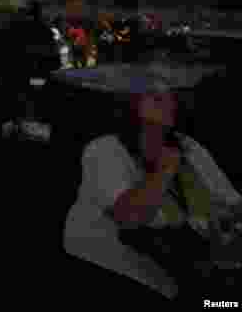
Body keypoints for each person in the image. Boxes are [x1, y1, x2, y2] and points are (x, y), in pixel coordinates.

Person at [64, 75, 242, 303]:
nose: (169, 103)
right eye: (156, 97)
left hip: (177, 265)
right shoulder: (105, 150)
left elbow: (232, 202)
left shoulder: (189, 147)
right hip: (109, 266)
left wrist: (225, 225)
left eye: (172, 97)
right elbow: (129, 217)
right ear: (131, 102)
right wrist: (164, 171)